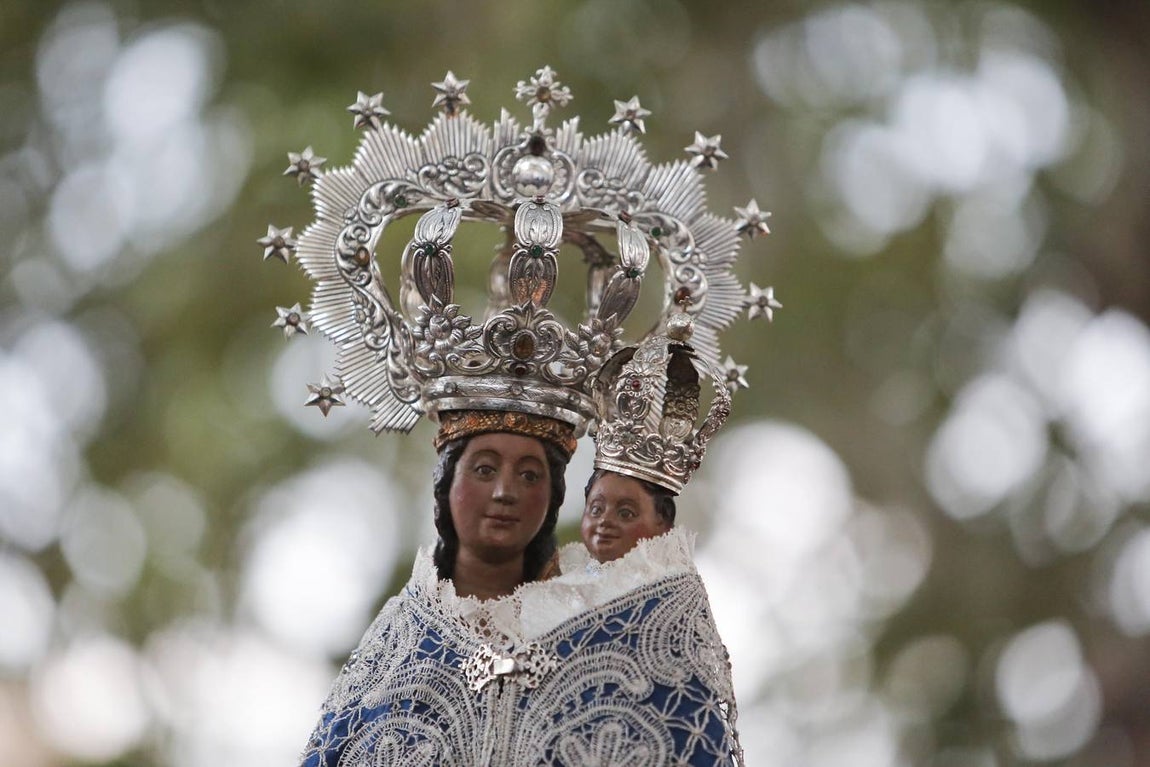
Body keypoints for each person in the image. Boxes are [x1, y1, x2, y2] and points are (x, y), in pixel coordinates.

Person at [582, 467, 675, 563]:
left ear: (664, 516)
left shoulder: (673, 576)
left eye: (625, 514)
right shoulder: (572, 573)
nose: (604, 520)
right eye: (596, 510)